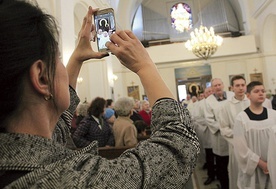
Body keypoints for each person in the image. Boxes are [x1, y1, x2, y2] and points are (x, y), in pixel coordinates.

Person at [0, 1, 199, 188]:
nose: (63, 63)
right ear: (42, 78)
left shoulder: (16, 155)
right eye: (59, 57)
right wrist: (145, 66)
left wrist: (76, 57)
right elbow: (179, 147)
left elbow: (57, 128)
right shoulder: (72, 180)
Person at [233, 81, 276, 189]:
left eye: (263, 91)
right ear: (248, 96)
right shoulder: (241, 118)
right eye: (256, 91)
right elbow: (241, 149)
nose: (261, 93)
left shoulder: (273, 115)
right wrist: (262, 164)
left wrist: (272, 163)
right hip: (254, 168)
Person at [219, 75, 248, 189]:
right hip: (237, 146)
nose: (241, 88)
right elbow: (224, 128)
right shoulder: (226, 106)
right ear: (232, 88)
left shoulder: (251, 102)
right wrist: (239, 136)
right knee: (238, 174)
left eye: (243, 85)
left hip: (254, 147)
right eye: (237, 85)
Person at [204, 78, 234, 189]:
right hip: (219, 137)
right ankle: (224, 186)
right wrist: (224, 128)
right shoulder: (209, 101)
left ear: (223, 85)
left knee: (235, 163)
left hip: (234, 134)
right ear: (212, 88)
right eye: (215, 85)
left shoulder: (232, 96)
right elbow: (209, 119)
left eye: (219, 84)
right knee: (222, 165)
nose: (218, 87)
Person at [192, 87, 215, 185]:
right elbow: (197, 118)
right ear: (205, 94)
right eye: (208, 92)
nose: (210, 93)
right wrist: (212, 123)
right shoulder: (201, 104)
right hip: (207, 132)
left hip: (219, 133)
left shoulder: (220, 102)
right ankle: (211, 175)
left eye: (211, 91)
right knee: (209, 155)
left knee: (219, 156)